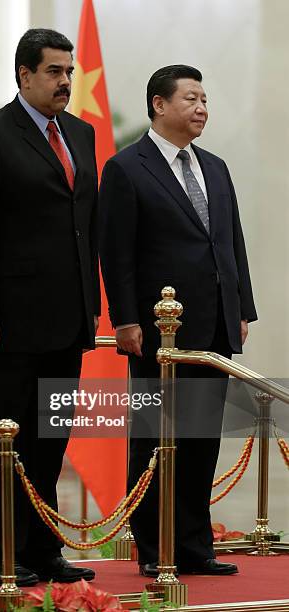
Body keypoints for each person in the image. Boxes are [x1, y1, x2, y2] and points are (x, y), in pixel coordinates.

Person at [0, 28, 100, 586]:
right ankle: (0, 552)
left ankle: (44, 549)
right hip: (8, 325)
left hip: (67, 321)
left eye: (69, 71)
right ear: (25, 75)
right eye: (55, 71)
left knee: (51, 439)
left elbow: (84, 228)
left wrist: (92, 304)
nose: (66, 81)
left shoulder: (81, 136)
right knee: (4, 439)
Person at [99, 65, 257, 576]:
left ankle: (194, 545)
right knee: (156, 438)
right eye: (191, 98)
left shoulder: (215, 166)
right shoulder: (127, 168)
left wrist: (242, 309)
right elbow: (116, 253)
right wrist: (125, 319)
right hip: (156, 332)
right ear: (158, 105)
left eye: (206, 99)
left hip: (212, 326)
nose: (202, 108)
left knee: (201, 439)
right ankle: (154, 546)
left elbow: (231, 243)